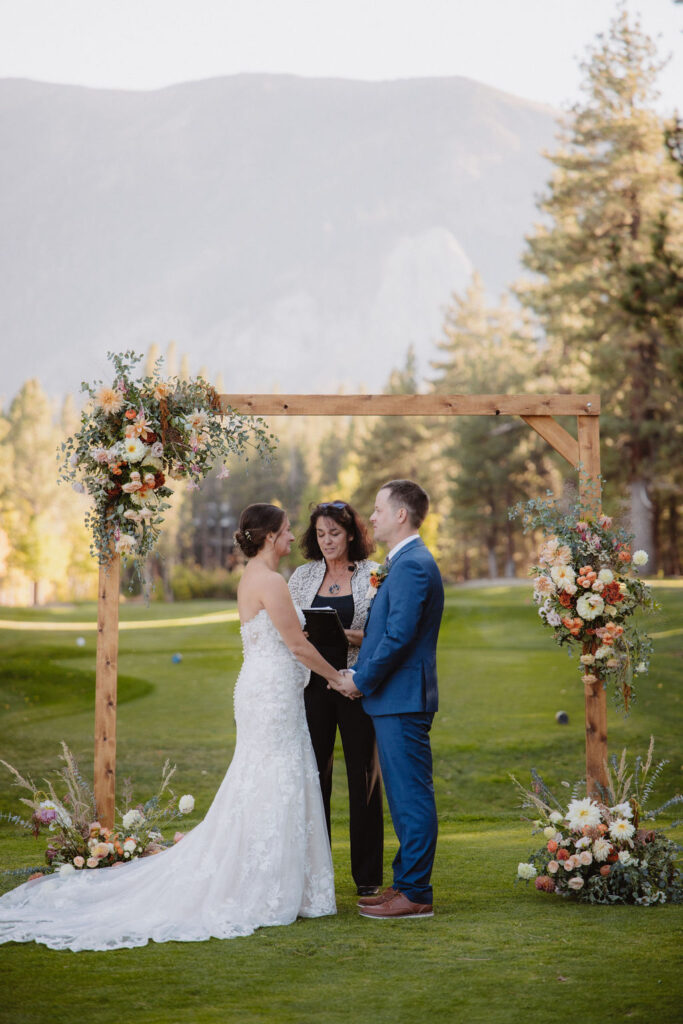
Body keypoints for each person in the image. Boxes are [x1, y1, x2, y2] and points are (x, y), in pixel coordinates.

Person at [0, 504, 344, 951]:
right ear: (268, 537)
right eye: (284, 530)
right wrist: (338, 678)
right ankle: (267, 885)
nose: (290, 536)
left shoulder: (250, 579)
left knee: (267, 779)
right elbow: (297, 645)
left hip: (264, 689)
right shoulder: (271, 581)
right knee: (273, 779)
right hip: (272, 693)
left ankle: (283, 881)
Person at [330, 480, 444, 920]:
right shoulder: (402, 562)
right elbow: (391, 631)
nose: (371, 517)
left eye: (378, 509)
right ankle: (404, 883)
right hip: (395, 698)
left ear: (401, 514)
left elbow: (399, 637)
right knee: (402, 796)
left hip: (402, 698)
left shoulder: (413, 564)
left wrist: (360, 678)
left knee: (411, 797)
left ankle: (416, 894)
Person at [288, 500, 383, 897]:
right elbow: (289, 627)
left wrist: (345, 636)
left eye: (335, 533)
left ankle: (367, 878)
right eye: (321, 534)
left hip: (357, 684)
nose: (327, 541)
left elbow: (384, 633)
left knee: (363, 779)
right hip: (313, 687)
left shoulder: (374, 576)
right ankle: (316, 875)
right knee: (315, 778)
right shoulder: (301, 575)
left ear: (351, 535)